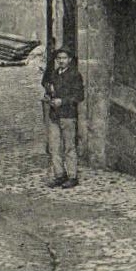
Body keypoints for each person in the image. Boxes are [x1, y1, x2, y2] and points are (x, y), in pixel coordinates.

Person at [41, 46, 84, 188]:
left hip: (68, 115)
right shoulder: (54, 74)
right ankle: (59, 175)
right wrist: (48, 97)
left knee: (69, 147)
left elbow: (79, 96)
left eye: (64, 58)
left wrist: (63, 101)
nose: (61, 61)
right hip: (54, 115)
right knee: (54, 147)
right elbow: (49, 90)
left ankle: (72, 176)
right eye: (59, 58)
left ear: (69, 60)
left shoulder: (75, 75)